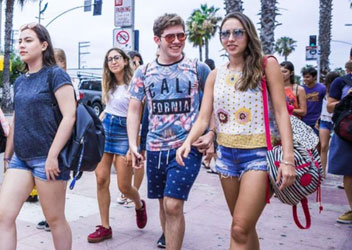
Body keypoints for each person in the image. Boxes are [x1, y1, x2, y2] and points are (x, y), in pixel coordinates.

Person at [176, 12, 296, 249]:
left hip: (259, 156)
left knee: (239, 228)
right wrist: (187, 141)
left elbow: (282, 113)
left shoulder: (266, 65)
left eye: (237, 32)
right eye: (225, 33)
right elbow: (203, 117)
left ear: (248, 34)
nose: (231, 38)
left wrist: (288, 159)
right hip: (227, 158)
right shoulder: (215, 75)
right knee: (244, 228)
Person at [126, 13, 212, 250]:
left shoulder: (198, 68)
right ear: (157, 40)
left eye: (181, 35)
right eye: (170, 36)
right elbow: (134, 111)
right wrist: (133, 145)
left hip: (186, 147)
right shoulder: (143, 72)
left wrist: (212, 133)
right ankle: (169, 238)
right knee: (165, 203)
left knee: (173, 205)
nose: (176, 41)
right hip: (155, 148)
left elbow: (212, 105)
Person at [0, 23, 76, 250]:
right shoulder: (21, 81)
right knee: (3, 214)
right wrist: (7, 157)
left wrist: (53, 156)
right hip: (21, 158)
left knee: (55, 219)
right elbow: (16, 120)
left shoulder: (55, 75)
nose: (22, 45)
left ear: (43, 45)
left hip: (48, 159)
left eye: (28, 40)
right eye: (20, 41)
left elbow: (70, 116)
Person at [87, 48, 147, 243]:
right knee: (101, 179)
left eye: (116, 58)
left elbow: (137, 117)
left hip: (125, 132)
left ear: (124, 60)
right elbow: (109, 108)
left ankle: (139, 204)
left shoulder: (135, 84)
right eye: (109, 59)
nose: (113, 62)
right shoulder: (108, 83)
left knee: (124, 186)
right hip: (107, 129)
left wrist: (134, 147)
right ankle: (105, 227)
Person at [35, 47, 68, 232]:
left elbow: (69, 116)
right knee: (49, 186)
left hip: (59, 140)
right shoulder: (46, 80)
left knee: (58, 184)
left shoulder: (63, 81)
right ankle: (51, 217)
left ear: (63, 63)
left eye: (56, 61)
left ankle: (55, 218)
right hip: (46, 139)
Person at [116, 50, 148, 207]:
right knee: (127, 161)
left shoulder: (143, 80)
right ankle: (127, 189)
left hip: (141, 125)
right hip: (127, 126)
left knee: (139, 159)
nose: (136, 64)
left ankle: (135, 189)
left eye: (138, 61)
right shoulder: (123, 82)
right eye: (133, 61)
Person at [327, 61, 352, 224]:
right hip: (348, 133)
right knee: (349, 172)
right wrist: (349, 95)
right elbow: (330, 107)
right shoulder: (341, 82)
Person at [319, 71, 340, 178]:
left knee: (337, 147)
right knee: (323, 146)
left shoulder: (340, 91)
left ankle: (342, 172)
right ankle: (322, 171)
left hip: (337, 121)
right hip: (324, 120)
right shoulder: (323, 91)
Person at [301, 66, 327, 134]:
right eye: (304, 77)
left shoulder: (322, 88)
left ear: (314, 77)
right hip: (304, 121)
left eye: (307, 77)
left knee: (317, 143)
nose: (305, 79)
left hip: (317, 122)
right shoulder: (301, 89)